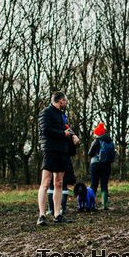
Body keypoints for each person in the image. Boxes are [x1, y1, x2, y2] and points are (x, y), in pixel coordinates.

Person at [37, 91, 80, 225]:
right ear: (60, 101)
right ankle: (42, 216)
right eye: (65, 101)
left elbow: (66, 128)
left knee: (59, 182)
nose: (66, 103)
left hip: (62, 151)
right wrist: (63, 134)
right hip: (50, 150)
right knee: (45, 182)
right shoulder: (46, 112)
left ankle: (57, 215)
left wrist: (73, 135)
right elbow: (45, 130)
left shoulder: (62, 115)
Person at [88, 122, 115, 210]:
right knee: (104, 184)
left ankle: (91, 205)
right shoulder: (110, 141)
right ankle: (105, 205)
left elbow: (90, 153)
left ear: (97, 133)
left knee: (94, 184)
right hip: (107, 164)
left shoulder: (96, 140)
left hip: (95, 164)